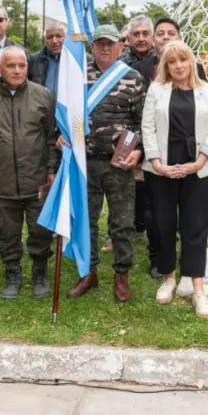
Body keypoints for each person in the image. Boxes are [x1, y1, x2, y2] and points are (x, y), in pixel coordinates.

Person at [0, 46, 58, 299]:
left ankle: (39, 270)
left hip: (37, 178)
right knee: (6, 230)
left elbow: (51, 137)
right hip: (2, 180)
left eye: (22, 65)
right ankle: (13, 271)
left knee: (40, 229)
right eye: (11, 66)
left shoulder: (43, 96)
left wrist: (52, 169)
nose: (17, 70)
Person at [66, 25, 146, 303]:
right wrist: (61, 136)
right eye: (99, 43)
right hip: (84, 162)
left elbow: (141, 123)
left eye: (110, 44)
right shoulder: (77, 76)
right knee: (86, 221)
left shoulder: (132, 78)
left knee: (122, 223)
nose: (104, 48)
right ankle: (88, 272)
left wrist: (139, 151)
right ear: (92, 47)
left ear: (120, 47)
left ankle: (121, 275)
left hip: (118, 164)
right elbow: (65, 113)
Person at [142, 41, 208, 318]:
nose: (178, 66)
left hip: (196, 166)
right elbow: (148, 127)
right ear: (165, 65)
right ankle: (169, 278)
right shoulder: (156, 90)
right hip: (163, 167)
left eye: (182, 60)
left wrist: (200, 160)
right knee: (164, 223)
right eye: (171, 61)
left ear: (191, 62)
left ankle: (197, 287)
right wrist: (156, 163)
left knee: (195, 225)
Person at [131, 16, 207, 277]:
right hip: (158, 159)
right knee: (159, 218)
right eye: (160, 33)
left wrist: (200, 158)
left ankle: (192, 273)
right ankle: (162, 267)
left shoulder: (202, 82)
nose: (165, 37)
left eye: (170, 33)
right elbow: (146, 122)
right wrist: (153, 159)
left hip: (193, 159)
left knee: (193, 219)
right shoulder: (149, 79)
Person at [29, 20, 65, 97]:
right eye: (50, 37)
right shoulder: (34, 60)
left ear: (65, 38)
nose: (54, 41)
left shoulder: (76, 60)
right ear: (45, 40)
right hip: (41, 107)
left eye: (58, 36)